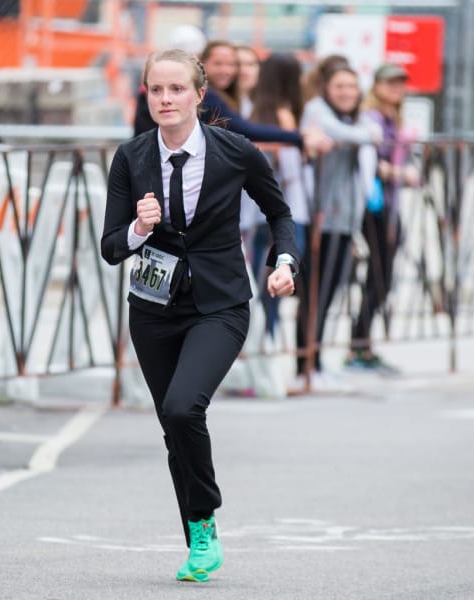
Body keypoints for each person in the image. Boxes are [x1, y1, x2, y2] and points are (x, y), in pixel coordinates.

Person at [101, 49, 299, 582]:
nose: (165, 99)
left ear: (199, 95)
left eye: (176, 89)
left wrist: (284, 262)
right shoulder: (132, 157)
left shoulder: (235, 151)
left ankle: (204, 517)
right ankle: (200, 535)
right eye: (156, 90)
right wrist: (140, 229)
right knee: (174, 425)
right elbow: (111, 246)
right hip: (153, 309)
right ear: (146, 95)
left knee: (184, 406)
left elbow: (279, 213)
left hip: (220, 303)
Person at [293, 61, 380, 389]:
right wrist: (366, 135)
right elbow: (351, 134)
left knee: (329, 295)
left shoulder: (355, 118)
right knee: (314, 295)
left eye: (352, 86)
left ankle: (315, 362)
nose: (347, 93)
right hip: (320, 217)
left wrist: (366, 134)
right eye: (340, 86)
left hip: (345, 219)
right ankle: (304, 365)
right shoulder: (317, 110)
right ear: (326, 88)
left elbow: (372, 133)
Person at [345, 63, 418, 371]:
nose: (396, 88)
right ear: (376, 85)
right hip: (372, 206)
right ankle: (358, 345)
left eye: (400, 83)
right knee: (378, 275)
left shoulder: (395, 120)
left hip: (390, 204)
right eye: (390, 82)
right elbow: (373, 163)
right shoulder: (370, 118)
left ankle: (362, 343)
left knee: (383, 277)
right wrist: (399, 173)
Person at [249, 52, 309, 339]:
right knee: (276, 281)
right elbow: (291, 169)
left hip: (256, 211)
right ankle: (267, 341)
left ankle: (262, 342)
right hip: (282, 209)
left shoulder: (254, 112)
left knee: (260, 282)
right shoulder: (284, 115)